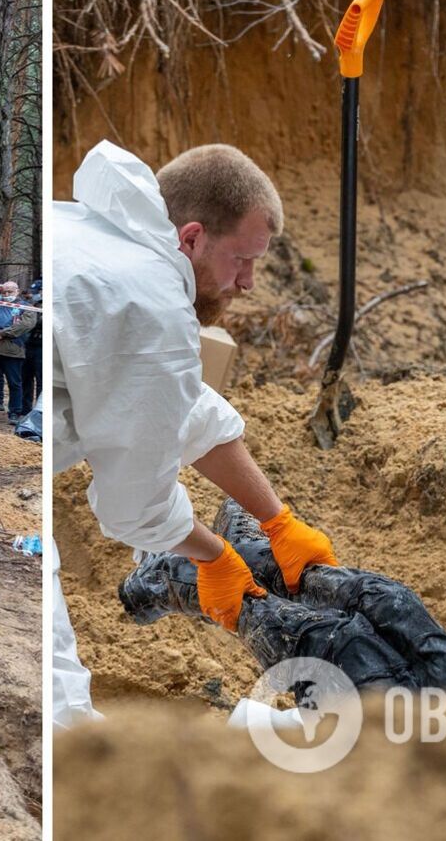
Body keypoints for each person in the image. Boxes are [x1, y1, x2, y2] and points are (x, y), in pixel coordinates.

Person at [48, 140, 340, 726]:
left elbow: (180, 406)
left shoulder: (90, 233)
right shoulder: (151, 304)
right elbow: (134, 505)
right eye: (242, 260)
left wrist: (276, 519)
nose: (250, 282)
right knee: (60, 710)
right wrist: (215, 559)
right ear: (192, 237)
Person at [0, 281, 39, 426]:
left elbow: (25, 325)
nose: (7, 295)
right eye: (4, 292)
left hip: (13, 351)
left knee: (15, 383)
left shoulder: (26, 307)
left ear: (17, 291)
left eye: (10, 291)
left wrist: (3, 333)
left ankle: (15, 412)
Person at [22, 279, 43, 417]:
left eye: (37, 292)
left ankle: (39, 411)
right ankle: (25, 409)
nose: (33, 295)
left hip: (42, 346)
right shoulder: (29, 306)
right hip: (28, 344)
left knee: (42, 380)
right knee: (26, 378)